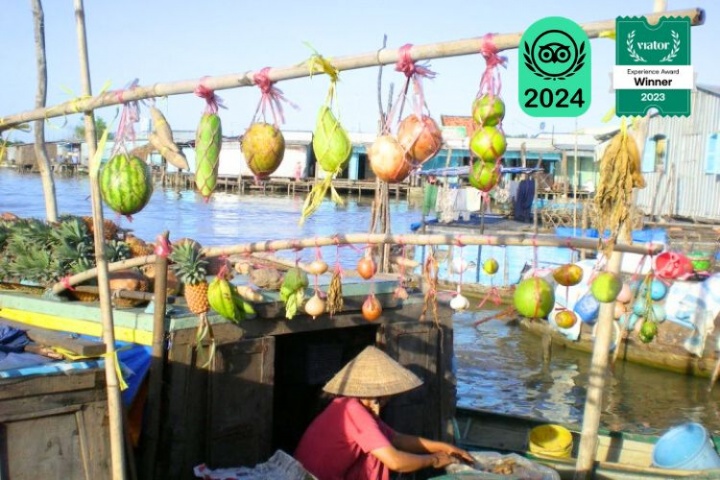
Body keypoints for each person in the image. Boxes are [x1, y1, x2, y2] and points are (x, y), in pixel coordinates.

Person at [294, 345, 474, 480]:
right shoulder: (353, 411)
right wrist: (434, 460)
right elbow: (395, 461)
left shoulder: (347, 404)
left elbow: (396, 438)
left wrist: (445, 447)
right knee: (378, 456)